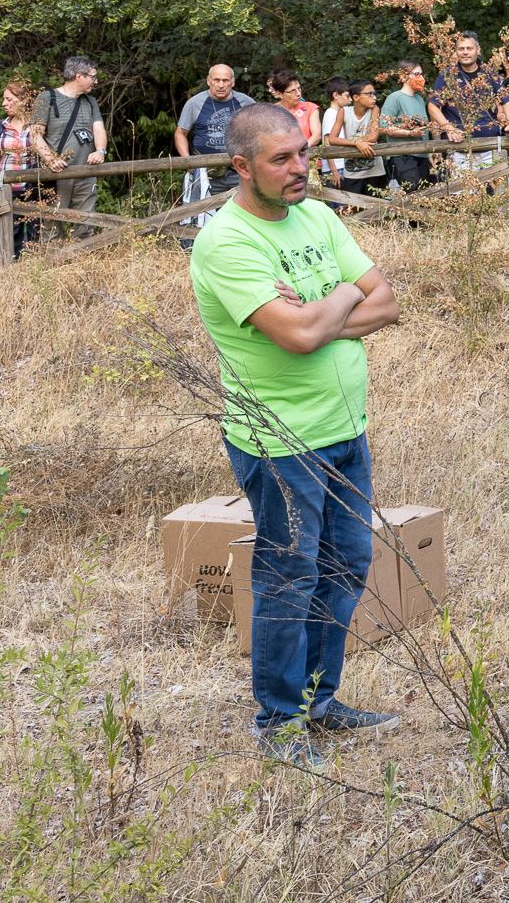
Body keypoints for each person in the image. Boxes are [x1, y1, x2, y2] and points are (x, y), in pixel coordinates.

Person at [188, 103, 403, 767]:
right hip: (279, 442)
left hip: (345, 430)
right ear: (242, 166)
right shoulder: (227, 242)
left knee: (346, 566)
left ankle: (319, 699)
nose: (299, 169)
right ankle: (279, 723)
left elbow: (388, 301)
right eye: (282, 159)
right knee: (290, 575)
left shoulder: (316, 215)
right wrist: (339, 299)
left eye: (303, 153)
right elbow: (302, 333)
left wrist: (319, 305)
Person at [175, 65, 257, 238]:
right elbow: (180, 134)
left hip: (240, 170)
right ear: (208, 81)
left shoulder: (245, 102)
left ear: (233, 82)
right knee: (204, 215)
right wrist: (187, 162)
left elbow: (260, 132)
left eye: (225, 80)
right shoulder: (195, 103)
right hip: (205, 172)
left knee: (246, 211)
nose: (221, 85)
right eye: (217, 80)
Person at [37, 55, 107, 239]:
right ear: (79, 76)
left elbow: (99, 129)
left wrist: (100, 151)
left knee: (85, 226)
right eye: (93, 76)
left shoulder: (90, 101)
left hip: (86, 172)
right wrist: (51, 160)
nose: (96, 81)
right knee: (51, 228)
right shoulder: (46, 98)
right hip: (56, 174)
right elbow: (35, 135)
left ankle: (82, 265)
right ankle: (53, 266)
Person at [429, 31, 508, 177]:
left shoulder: (489, 73)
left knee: (498, 194)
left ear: (478, 50)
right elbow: (433, 106)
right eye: (461, 49)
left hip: (489, 147)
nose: (465, 52)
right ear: (456, 51)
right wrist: (448, 128)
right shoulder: (448, 75)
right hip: (459, 150)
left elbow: (506, 100)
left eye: (469, 48)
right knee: (463, 195)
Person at [0, 80, 49, 257]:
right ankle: (9, 274)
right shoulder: (0, 126)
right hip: (6, 189)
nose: (3, 104)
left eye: (8, 99)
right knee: (9, 235)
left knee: (36, 233)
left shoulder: (38, 124)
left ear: (23, 100)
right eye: (4, 99)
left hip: (34, 187)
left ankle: (33, 272)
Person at [380, 61, 437, 192]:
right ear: (404, 76)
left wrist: (428, 155)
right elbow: (383, 127)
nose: (420, 78)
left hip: (421, 155)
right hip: (402, 155)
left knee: (423, 195)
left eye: (421, 74)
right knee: (413, 192)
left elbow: (424, 131)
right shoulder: (395, 98)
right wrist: (410, 133)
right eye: (416, 74)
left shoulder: (420, 100)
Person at [335, 82, 387, 198]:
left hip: (375, 171)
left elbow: (373, 136)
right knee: (352, 209)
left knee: (377, 209)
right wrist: (357, 143)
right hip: (352, 173)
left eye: (375, 94)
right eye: (369, 94)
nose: (374, 97)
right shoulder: (344, 112)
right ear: (356, 97)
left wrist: (354, 141)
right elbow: (332, 139)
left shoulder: (374, 110)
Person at [268, 71, 321, 150]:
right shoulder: (271, 112)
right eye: (292, 91)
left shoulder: (310, 108)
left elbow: (316, 136)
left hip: (309, 157)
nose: (298, 93)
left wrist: (300, 150)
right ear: (279, 94)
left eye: (299, 88)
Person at [318, 78, 354, 191]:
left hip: (342, 166)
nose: (351, 100)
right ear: (336, 95)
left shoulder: (340, 114)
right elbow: (326, 143)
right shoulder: (330, 114)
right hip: (336, 168)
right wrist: (334, 171)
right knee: (340, 206)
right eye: (347, 96)